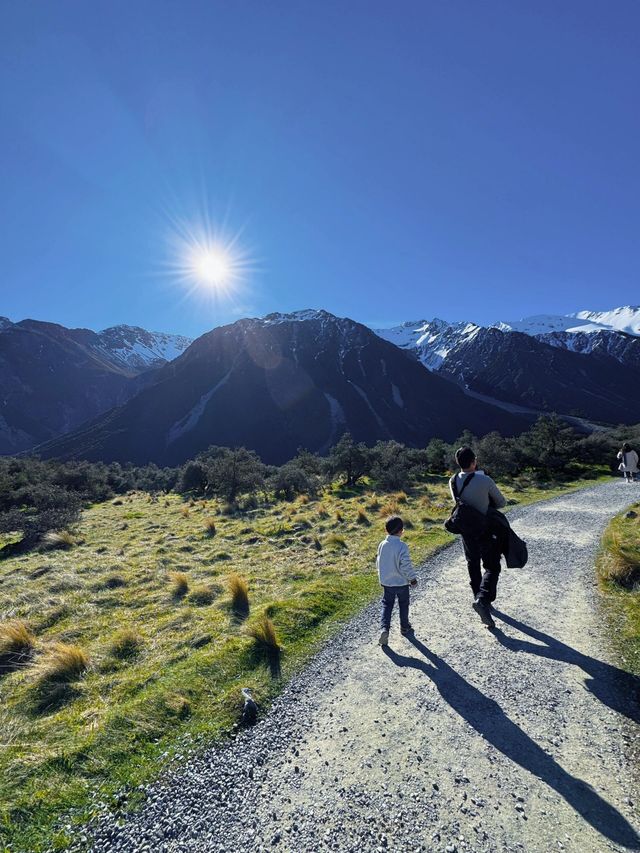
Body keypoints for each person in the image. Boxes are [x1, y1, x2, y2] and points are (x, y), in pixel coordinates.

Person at [449, 446, 506, 629]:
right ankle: (483, 600)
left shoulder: (452, 481)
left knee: (472, 562)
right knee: (492, 566)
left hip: (466, 530)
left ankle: (478, 596)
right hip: (485, 529)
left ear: (459, 463)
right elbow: (501, 502)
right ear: (474, 461)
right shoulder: (485, 479)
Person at [376, 515, 418, 646]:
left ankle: (384, 629)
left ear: (386, 530)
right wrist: (412, 579)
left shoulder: (382, 545)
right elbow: (405, 565)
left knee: (387, 605)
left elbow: (378, 562)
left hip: (387, 583)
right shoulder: (402, 546)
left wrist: (381, 577)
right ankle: (404, 627)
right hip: (401, 583)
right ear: (401, 531)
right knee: (403, 604)